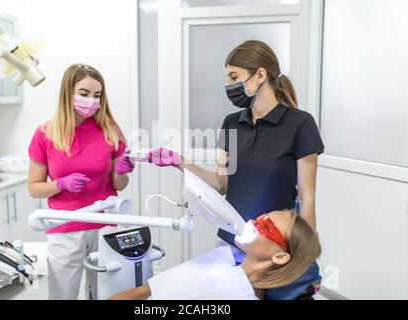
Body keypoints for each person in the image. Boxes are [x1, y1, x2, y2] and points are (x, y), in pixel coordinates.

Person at [145, 40, 325, 299]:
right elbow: (221, 183)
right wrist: (179, 161)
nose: (229, 85)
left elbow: (307, 197)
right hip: (233, 241)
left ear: (260, 75)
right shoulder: (232, 123)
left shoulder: (299, 123)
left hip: (272, 249)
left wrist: (303, 253)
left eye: (234, 76)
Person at [27, 64, 135, 300]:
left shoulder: (109, 130)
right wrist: (60, 184)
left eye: (97, 95)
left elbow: (118, 185)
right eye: (84, 94)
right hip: (66, 227)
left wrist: (122, 172)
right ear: (68, 92)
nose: (91, 101)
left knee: (105, 293)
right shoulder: (46, 134)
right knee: (63, 295)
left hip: (105, 224)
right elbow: (34, 187)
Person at [110, 210, 321, 300]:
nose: (254, 222)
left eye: (266, 226)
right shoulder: (222, 258)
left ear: (280, 257)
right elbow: (145, 291)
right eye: (261, 216)